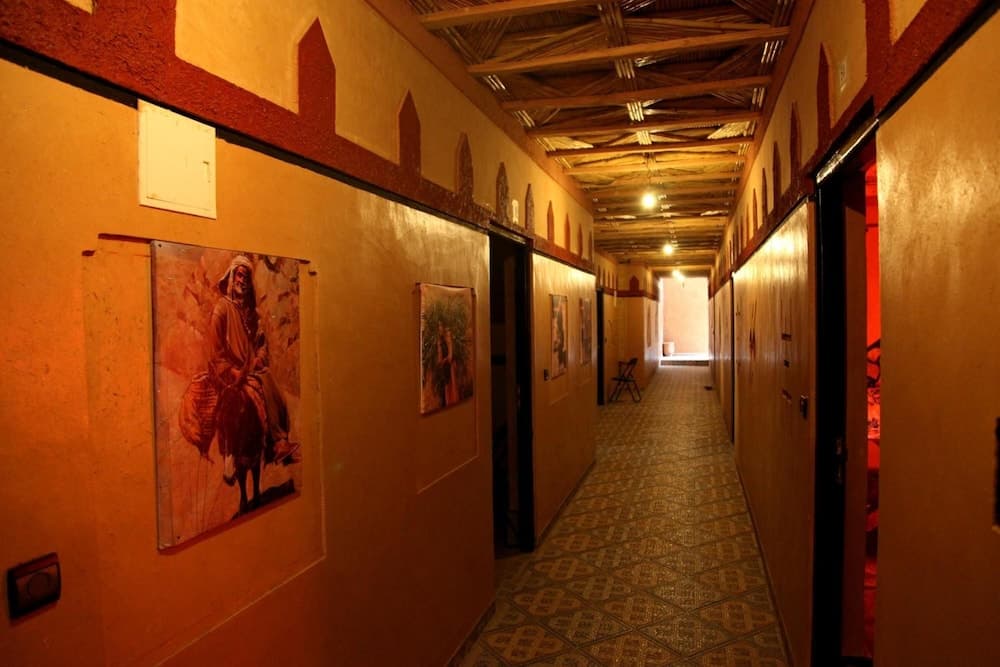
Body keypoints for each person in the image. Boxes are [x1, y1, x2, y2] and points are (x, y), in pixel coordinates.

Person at [210, 256, 297, 481]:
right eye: (240, 275)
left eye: (247, 277)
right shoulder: (221, 310)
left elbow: (262, 344)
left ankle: (278, 443)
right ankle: (229, 456)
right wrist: (231, 371)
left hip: (252, 371)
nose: (243, 281)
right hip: (230, 375)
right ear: (231, 276)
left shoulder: (251, 312)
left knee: (273, 387)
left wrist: (259, 358)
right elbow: (216, 352)